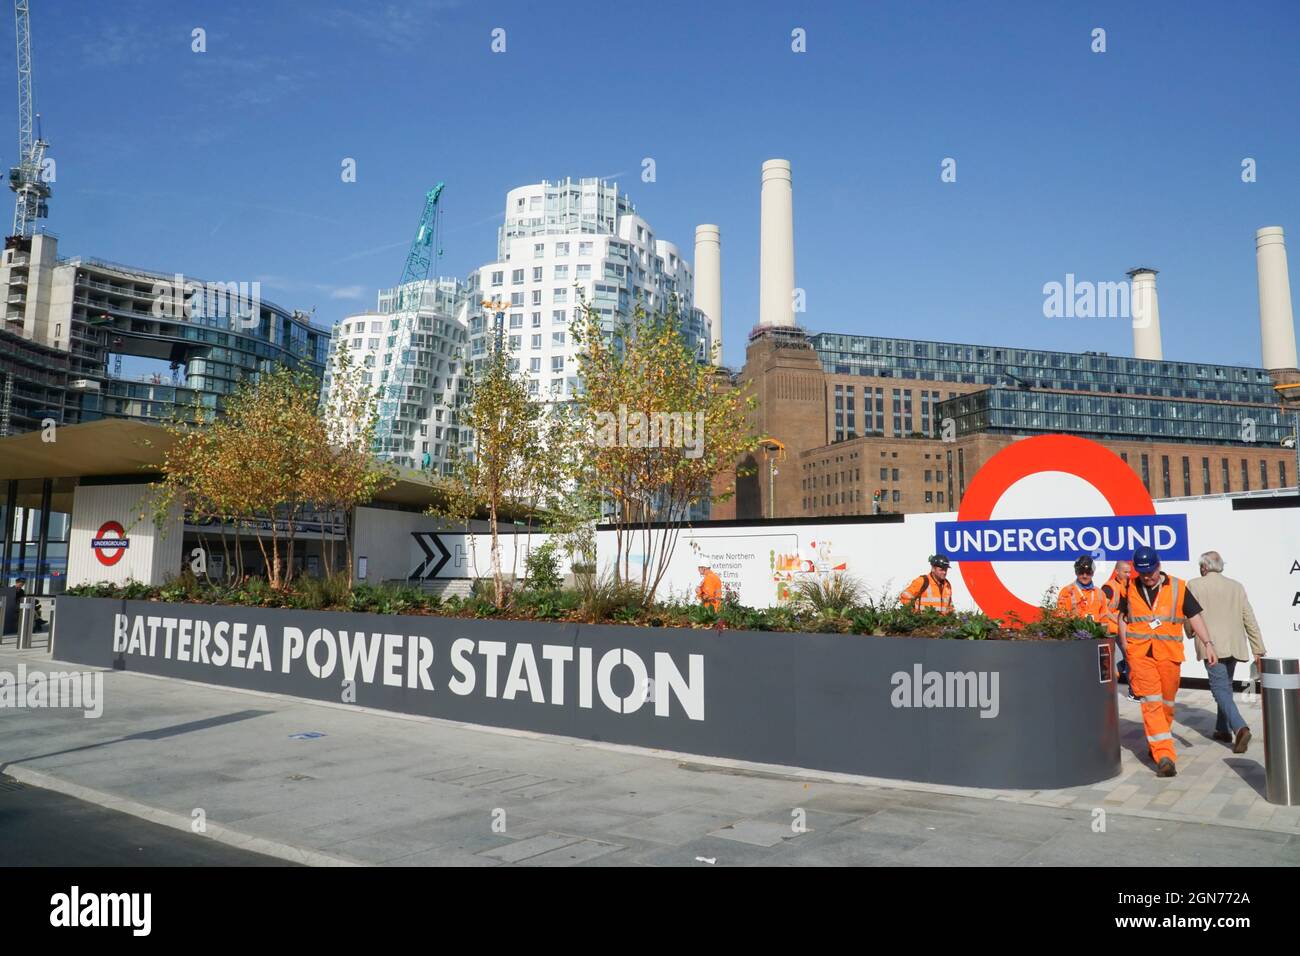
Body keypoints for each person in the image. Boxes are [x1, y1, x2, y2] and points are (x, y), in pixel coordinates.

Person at [1117, 546, 1217, 778]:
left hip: (1169, 654)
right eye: (1143, 573)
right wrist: (1126, 647)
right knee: (1151, 702)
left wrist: (1208, 643)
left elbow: (1194, 616)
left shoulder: (1179, 587)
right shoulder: (1129, 587)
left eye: (1151, 572)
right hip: (1141, 655)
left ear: (1158, 566)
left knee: (1166, 704)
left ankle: (1159, 741)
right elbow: (1123, 618)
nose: (1148, 577)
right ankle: (1164, 756)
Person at [1185, 551, 1266, 753]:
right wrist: (1258, 648)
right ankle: (1222, 729)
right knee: (1226, 686)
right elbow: (1249, 618)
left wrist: (1189, 631)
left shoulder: (1194, 585)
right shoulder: (1236, 586)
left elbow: (1189, 613)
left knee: (1219, 688)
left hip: (1211, 645)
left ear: (1204, 567)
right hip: (1234, 644)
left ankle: (1240, 727)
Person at [1101, 559, 1140, 702]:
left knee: (1128, 658)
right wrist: (1118, 620)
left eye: (1130, 571)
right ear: (1116, 572)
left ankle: (1134, 690)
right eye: (1125, 572)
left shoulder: (1130, 586)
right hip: (1112, 630)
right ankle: (1133, 691)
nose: (1129, 574)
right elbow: (1103, 608)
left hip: (1125, 629)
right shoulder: (1109, 588)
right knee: (1124, 659)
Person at [1056, 555, 1111, 622]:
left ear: (1093, 573)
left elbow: (1104, 618)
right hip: (1074, 631)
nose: (1084, 576)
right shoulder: (1067, 591)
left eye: (1088, 572)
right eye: (1081, 572)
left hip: (1095, 631)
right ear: (1076, 572)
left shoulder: (1100, 593)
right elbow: (1061, 617)